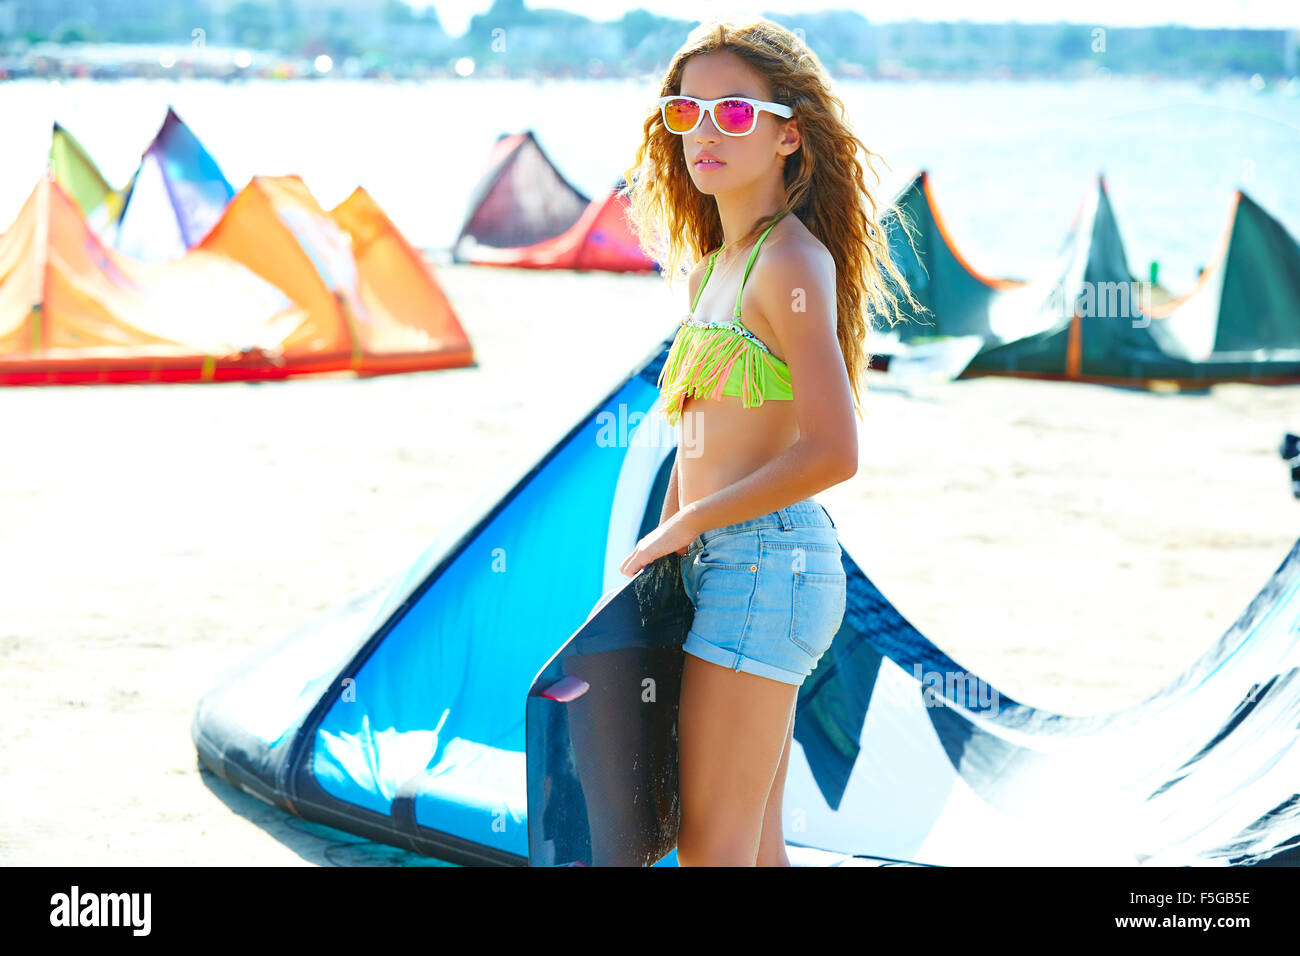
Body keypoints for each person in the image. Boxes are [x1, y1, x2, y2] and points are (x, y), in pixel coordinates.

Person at [616, 16, 922, 866]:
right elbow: (701, 432)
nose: (705, 131)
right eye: (688, 112)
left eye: (736, 113)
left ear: (790, 135)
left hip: (768, 566)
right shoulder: (717, 264)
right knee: (748, 847)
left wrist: (686, 525)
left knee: (710, 849)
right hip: (731, 565)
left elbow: (835, 450)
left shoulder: (789, 262)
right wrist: (670, 539)